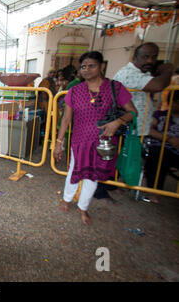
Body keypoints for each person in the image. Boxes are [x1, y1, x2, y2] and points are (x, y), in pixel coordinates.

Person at [54, 51, 137, 225]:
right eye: (83, 67)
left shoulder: (115, 87)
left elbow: (132, 112)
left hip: (104, 142)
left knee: (93, 176)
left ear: (102, 66)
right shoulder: (75, 91)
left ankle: (83, 208)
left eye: (91, 65)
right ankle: (67, 199)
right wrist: (59, 143)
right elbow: (67, 119)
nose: (86, 70)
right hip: (80, 141)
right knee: (74, 170)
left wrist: (117, 122)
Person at [113, 42, 173, 137]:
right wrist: (167, 71)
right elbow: (158, 86)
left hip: (139, 130)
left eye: (154, 57)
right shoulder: (128, 73)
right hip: (129, 131)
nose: (150, 61)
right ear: (134, 58)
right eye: (145, 57)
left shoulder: (144, 73)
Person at [144, 90, 179, 203]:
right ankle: (153, 191)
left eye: (176, 102)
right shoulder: (159, 115)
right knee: (158, 154)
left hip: (176, 152)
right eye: (172, 101)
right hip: (161, 147)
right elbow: (149, 129)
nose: (173, 104)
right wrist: (168, 139)